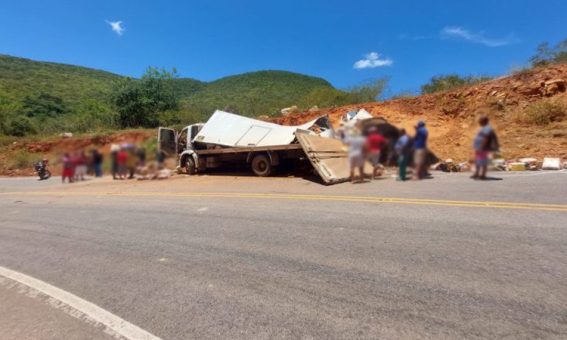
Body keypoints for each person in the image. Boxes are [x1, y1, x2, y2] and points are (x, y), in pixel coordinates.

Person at [472, 115, 499, 180]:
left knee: (483, 161)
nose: (479, 122)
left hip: (483, 148)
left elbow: (486, 138)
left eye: (480, 120)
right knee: (478, 160)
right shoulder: (484, 128)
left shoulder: (487, 128)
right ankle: (477, 173)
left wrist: (481, 146)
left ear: (484, 121)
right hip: (479, 147)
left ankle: (483, 174)